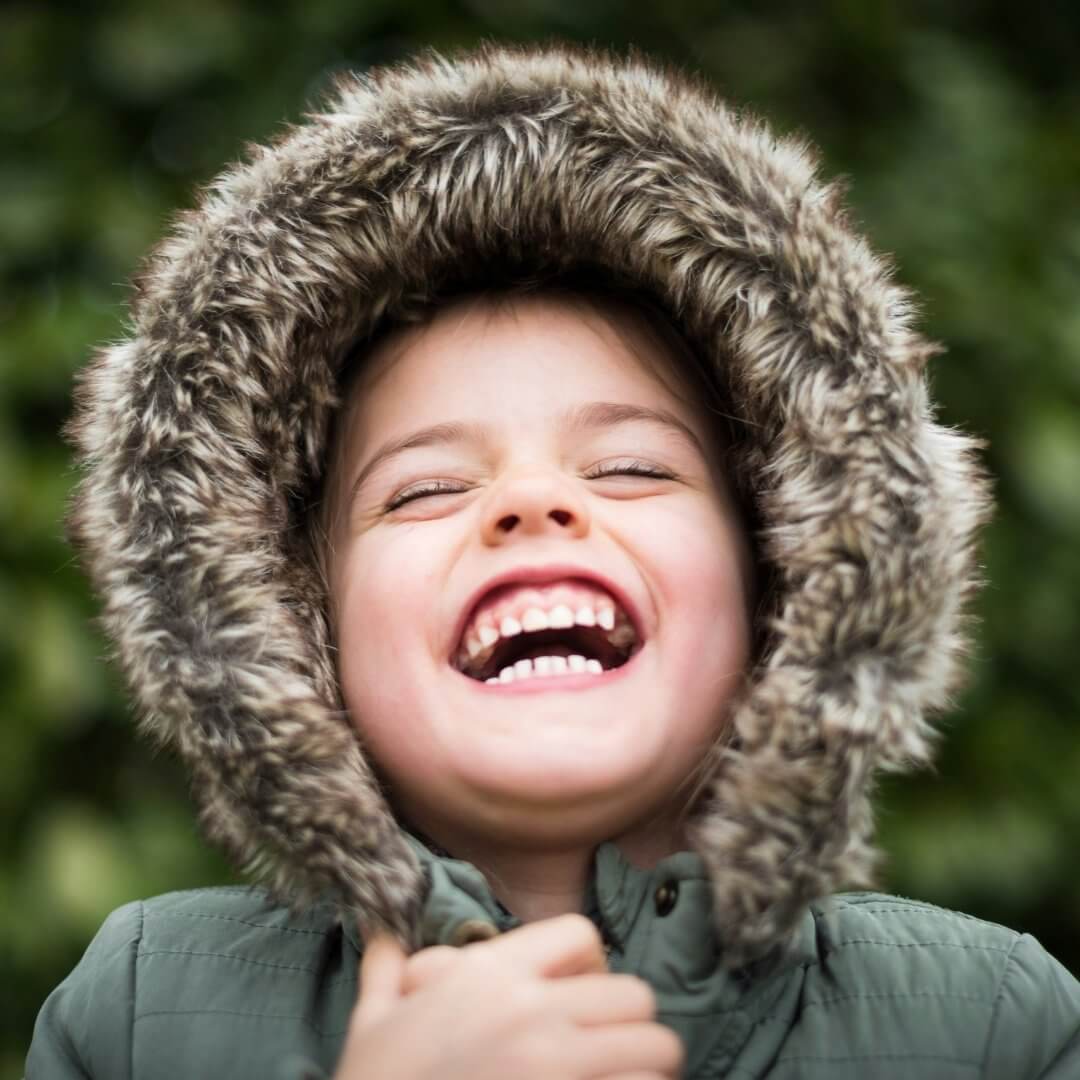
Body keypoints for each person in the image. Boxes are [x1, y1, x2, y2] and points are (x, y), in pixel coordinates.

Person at [26, 39, 1080, 1080]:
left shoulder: (995, 1023)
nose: (532, 502)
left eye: (629, 468)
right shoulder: (135, 1012)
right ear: (295, 624)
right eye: (426, 488)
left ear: (785, 578)